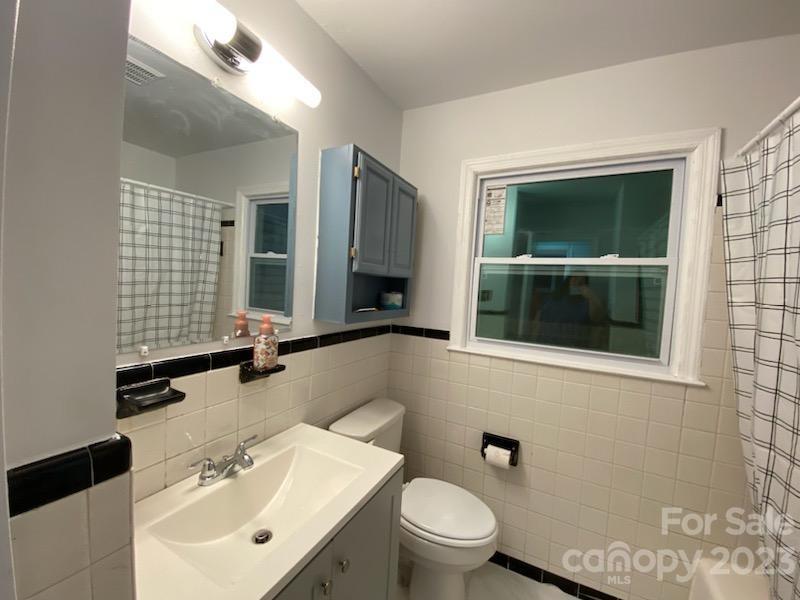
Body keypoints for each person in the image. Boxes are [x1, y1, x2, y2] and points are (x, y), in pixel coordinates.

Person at [532, 272, 609, 350]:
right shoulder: (552, 299)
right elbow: (537, 322)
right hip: (544, 346)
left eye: (582, 282)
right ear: (568, 280)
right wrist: (533, 344)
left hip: (570, 350)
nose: (577, 282)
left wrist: (591, 295)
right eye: (575, 278)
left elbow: (599, 317)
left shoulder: (586, 304)